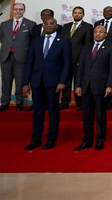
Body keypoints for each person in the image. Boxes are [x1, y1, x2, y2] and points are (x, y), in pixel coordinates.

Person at [22, 18, 72, 150]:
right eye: (46, 24)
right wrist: (25, 83)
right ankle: (36, 139)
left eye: (51, 24)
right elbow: (30, 63)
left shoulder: (64, 41)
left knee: (53, 112)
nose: (48, 26)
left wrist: (62, 82)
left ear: (56, 26)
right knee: (37, 112)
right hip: (37, 82)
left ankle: (51, 139)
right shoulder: (36, 41)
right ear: (43, 26)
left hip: (54, 83)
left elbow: (67, 63)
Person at [74, 25, 112, 151]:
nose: (98, 34)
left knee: (100, 116)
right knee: (86, 116)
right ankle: (87, 140)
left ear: (106, 34)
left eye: (101, 32)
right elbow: (81, 68)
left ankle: (100, 140)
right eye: (96, 32)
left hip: (101, 87)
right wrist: (78, 85)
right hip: (86, 87)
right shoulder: (86, 47)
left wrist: (109, 86)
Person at [0, 3, 35, 112]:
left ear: (24, 10)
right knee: (6, 81)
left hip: (21, 57)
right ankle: (5, 103)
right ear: (12, 10)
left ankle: (19, 102)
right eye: (16, 9)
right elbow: (2, 38)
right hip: (6, 56)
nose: (18, 11)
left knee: (20, 81)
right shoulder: (4, 24)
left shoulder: (30, 24)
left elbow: (32, 41)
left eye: (21, 9)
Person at [60, 6, 93, 111]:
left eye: (79, 13)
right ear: (72, 14)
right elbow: (61, 44)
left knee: (79, 83)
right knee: (65, 82)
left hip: (79, 61)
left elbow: (88, 45)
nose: (77, 14)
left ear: (83, 14)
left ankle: (80, 103)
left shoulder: (88, 27)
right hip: (65, 61)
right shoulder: (66, 26)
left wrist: (83, 60)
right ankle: (65, 102)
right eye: (75, 13)